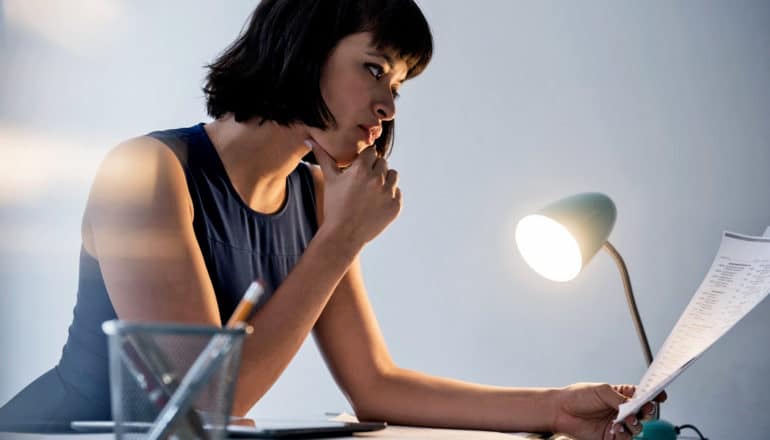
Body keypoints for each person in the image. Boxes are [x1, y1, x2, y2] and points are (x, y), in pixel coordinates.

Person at [0, 1, 664, 438]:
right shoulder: (145, 173)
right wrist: (340, 239)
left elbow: (374, 385)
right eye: (373, 69)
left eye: (398, 85)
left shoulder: (315, 196)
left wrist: (555, 406)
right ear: (304, 47)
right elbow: (204, 410)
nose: (387, 106)